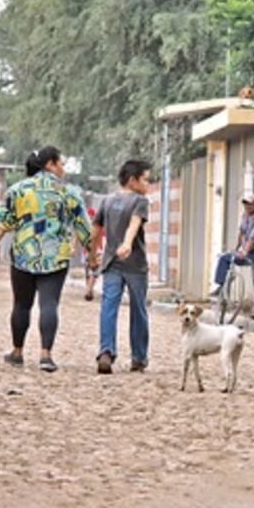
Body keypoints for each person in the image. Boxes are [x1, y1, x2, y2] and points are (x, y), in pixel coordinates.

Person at [0, 146, 93, 373]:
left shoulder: (18, 190)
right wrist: (91, 254)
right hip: (56, 257)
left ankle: (17, 351)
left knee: (21, 304)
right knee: (49, 303)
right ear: (50, 164)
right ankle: (45, 355)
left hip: (24, 255)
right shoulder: (69, 192)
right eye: (61, 163)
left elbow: (3, 221)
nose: (63, 168)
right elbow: (84, 227)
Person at [93, 160, 152, 374]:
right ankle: (138, 357)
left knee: (108, 307)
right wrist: (127, 244)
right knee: (139, 310)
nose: (148, 184)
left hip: (111, 263)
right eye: (145, 179)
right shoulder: (140, 201)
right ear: (132, 180)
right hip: (135, 265)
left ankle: (106, 352)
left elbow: (96, 230)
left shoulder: (107, 200)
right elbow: (134, 224)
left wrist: (93, 255)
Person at [212, 193, 254, 314]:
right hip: (247, 251)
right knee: (225, 259)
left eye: (249, 204)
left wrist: (244, 252)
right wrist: (236, 249)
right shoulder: (245, 215)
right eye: (245, 204)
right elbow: (241, 233)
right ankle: (221, 287)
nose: (247, 207)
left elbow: (252, 239)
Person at [83, 207, 101, 301]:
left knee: (91, 272)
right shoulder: (96, 225)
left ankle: (89, 290)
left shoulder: (86, 225)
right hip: (92, 251)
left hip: (92, 251)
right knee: (92, 273)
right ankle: (89, 290)